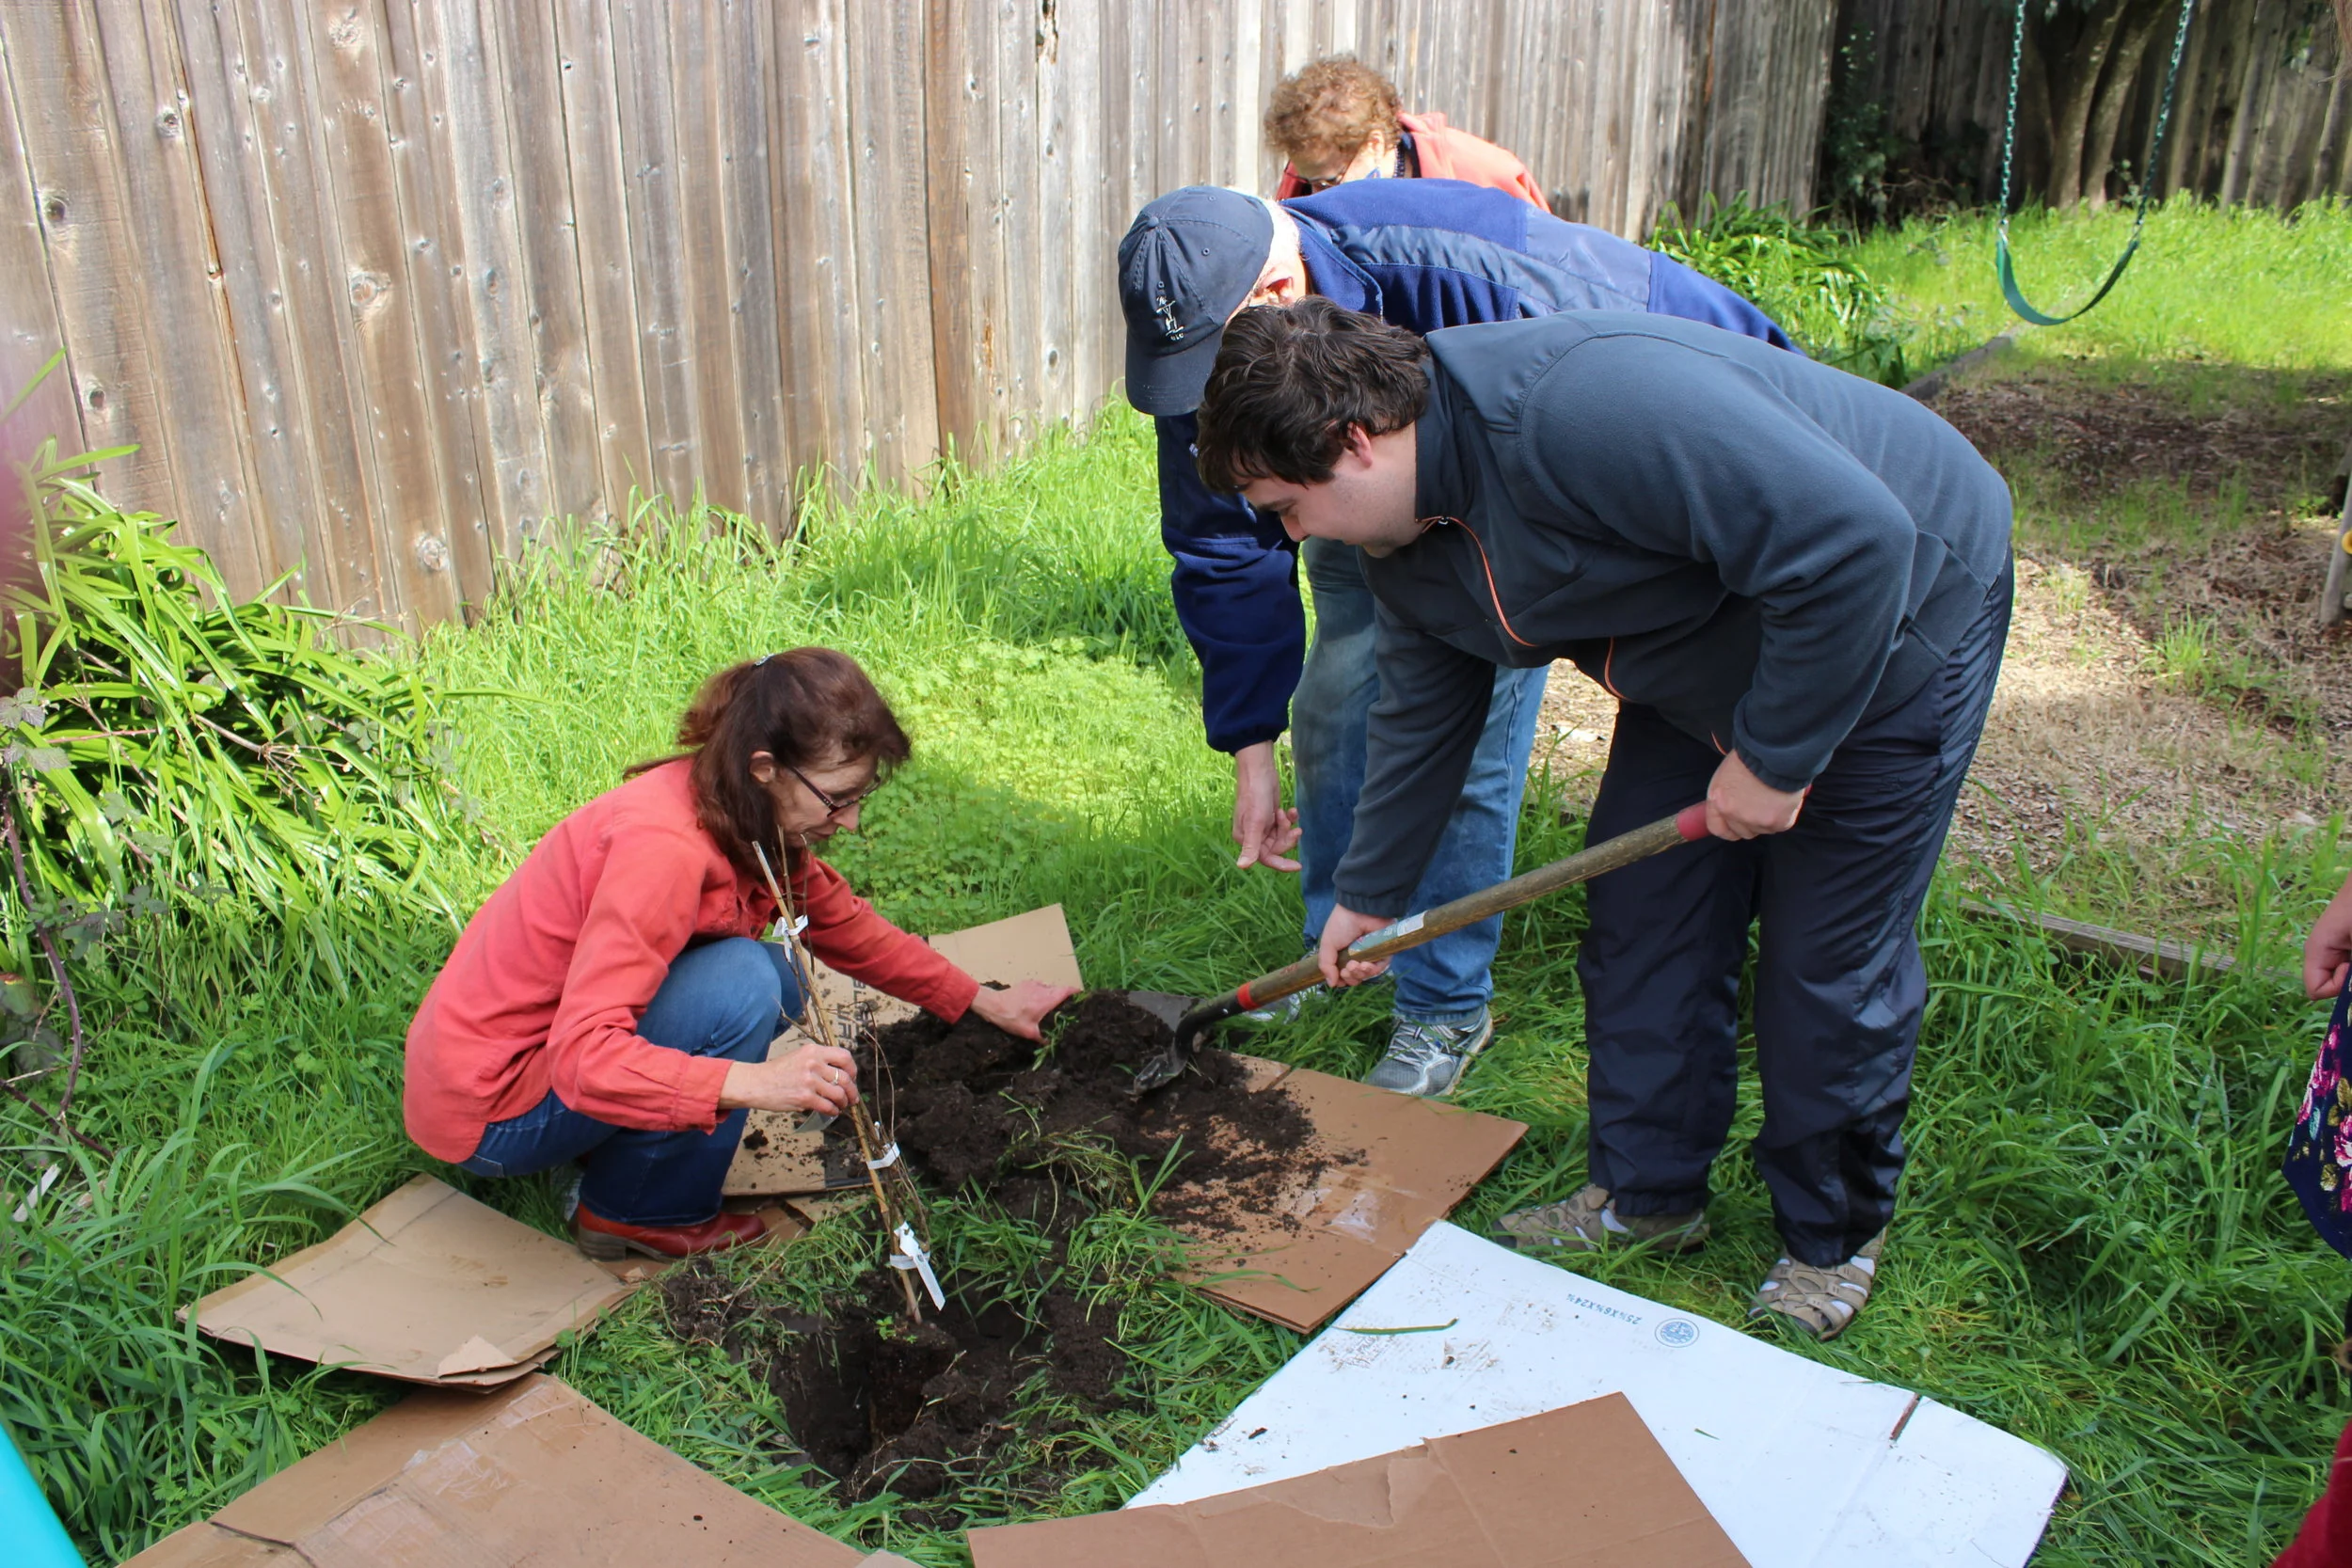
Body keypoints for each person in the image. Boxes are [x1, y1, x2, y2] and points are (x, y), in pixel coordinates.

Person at [1192, 299, 2013, 1339]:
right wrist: (1371, 894)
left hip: (1895, 612)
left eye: (1286, 504)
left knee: (1823, 966)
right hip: (1703, 640)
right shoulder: (1403, 533)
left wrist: (1776, 754)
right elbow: (1425, 701)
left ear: (1352, 443)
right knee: (1642, 920)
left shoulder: (1578, 412)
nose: (1290, 532)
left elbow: (1856, 540)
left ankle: (1830, 1234)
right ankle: (1647, 1193)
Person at [1120, 178, 1792, 1099]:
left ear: (1278, 298)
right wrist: (1249, 742)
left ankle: (1441, 1004)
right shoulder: (1211, 351)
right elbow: (1225, 543)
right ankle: (1347, 946)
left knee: (1460, 736)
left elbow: (1689, 397)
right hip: (1345, 490)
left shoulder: (1466, 271)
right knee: (1335, 692)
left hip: (1525, 493)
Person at [403, 649, 1073, 1260]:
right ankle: (629, 1212)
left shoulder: (736, 806)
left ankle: (619, 1151)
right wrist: (755, 1083)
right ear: (765, 767)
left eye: (859, 796)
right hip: (492, 1110)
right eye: (837, 798)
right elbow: (583, 1060)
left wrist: (982, 1000)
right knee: (744, 984)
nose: (851, 822)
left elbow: (845, 925)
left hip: (532, 1061)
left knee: (771, 979)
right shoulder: (664, 850)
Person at [1265, 55, 1547, 209]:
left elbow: (1547, 264)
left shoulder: (1485, 173)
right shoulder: (1305, 175)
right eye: (1308, 181)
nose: (1315, 197)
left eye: (1328, 182)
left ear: (1373, 144)